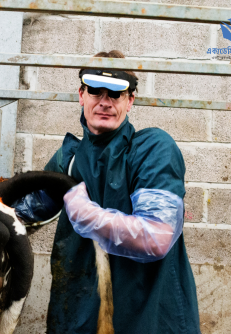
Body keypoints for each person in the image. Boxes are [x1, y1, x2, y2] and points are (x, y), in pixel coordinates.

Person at [43, 50, 200, 333]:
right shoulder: (68, 159)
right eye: (95, 91)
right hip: (80, 311)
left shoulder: (153, 149)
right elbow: (27, 209)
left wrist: (89, 215)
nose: (104, 102)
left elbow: (157, 237)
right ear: (81, 95)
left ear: (130, 100)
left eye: (115, 94)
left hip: (146, 311)